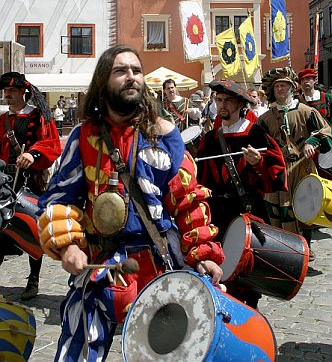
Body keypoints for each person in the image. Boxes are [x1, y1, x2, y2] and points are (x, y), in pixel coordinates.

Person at [37, 45, 224, 361]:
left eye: (136, 71)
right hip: (102, 263)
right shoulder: (84, 136)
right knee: (77, 351)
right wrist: (68, 244)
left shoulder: (165, 135)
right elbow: (60, 197)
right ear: (103, 82)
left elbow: (187, 200)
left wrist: (202, 254)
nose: (131, 77)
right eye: (120, 71)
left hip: (160, 266)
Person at [196, 79, 287, 308]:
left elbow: (276, 176)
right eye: (218, 100)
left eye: (227, 100)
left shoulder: (255, 134)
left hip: (247, 211)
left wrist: (259, 163)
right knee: (220, 272)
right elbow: (200, 181)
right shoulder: (209, 139)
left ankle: (250, 318)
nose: (222, 105)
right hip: (218, 214)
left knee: (247, 274)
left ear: (239, 104)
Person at [258, 67, 332, 261]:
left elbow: (326, 133)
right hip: (279, 170)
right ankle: (287, 251)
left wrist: (312, 142)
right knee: (279, 210)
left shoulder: (307, 111)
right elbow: (257, 143)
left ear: (292, 88)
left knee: (304, 207)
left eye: (284, 85)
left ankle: (305, 247)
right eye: (277, 86)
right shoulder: (265, 118)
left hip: (302, 167)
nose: (280, 89)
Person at [0, 72, 61, 300]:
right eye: (6, 91)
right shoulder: (2, 119)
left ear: (23, 92)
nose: (8, 94)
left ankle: (33, 279)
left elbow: (52, 144)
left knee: (32, 227)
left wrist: (34, 155)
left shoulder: (38, 116)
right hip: (4, 181)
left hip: (30, 181)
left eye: (13, 90)